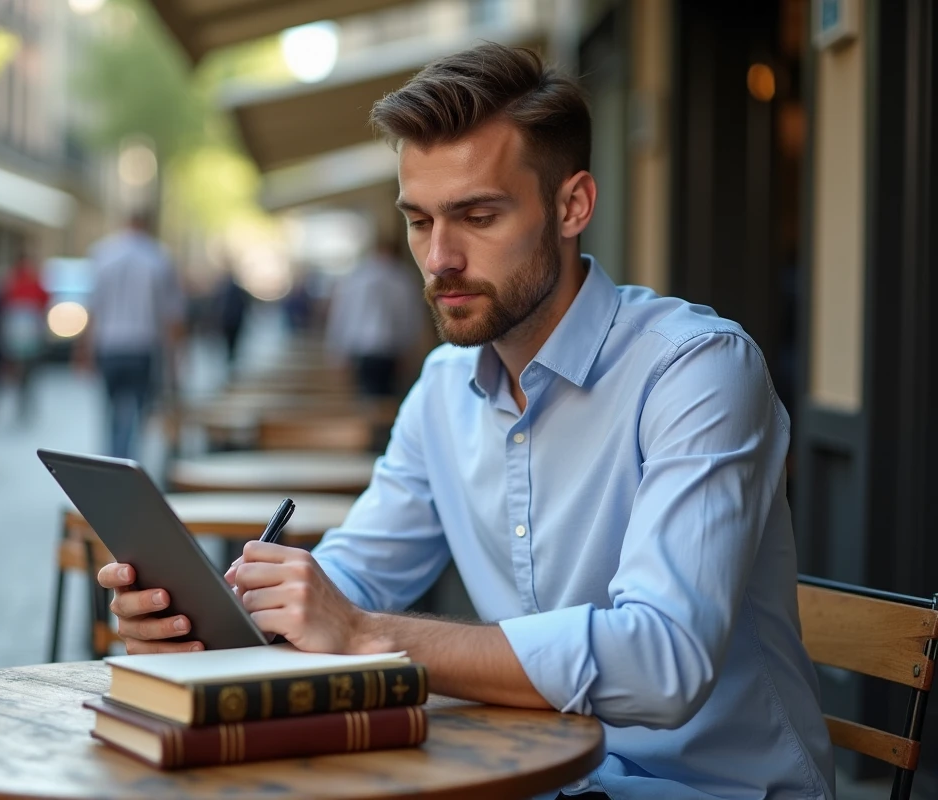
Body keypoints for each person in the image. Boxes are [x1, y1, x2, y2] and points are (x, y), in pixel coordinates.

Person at [98, 43, 835, 799]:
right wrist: (218, 621)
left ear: (572, 205)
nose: (439, 257)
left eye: (477, 215)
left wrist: (366, 634)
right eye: (418, 222)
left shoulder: (698, 369)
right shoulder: (444, 387)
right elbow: (353, 575)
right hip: (523, 773)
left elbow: (663, 660)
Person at [77, 211, 185, 461]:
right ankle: (129, 461)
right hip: (142, 347)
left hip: (109, 346)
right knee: (140, 411)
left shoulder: (102, 253)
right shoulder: (158, 257)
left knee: (111, 411)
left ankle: (113, 459)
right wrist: (176, 360)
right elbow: (172, 316)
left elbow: (93, 307)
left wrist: (83, 349)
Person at [325, 237, 426, 396]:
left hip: (363, 347)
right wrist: (411, 350)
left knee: (365, 396)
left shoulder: (356, 277)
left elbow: (342, 316)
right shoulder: (403, 278)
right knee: (387, 396)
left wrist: (338, 352)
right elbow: (411, 319)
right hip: (390, 349)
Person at [0, 252, 49, 422]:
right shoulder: (12, 282)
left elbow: (44, 302)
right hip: (17, 334)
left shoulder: (33, 282)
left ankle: (26, 399)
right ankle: (22, 399)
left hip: (30, 333)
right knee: (20, 369)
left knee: (29, 369)